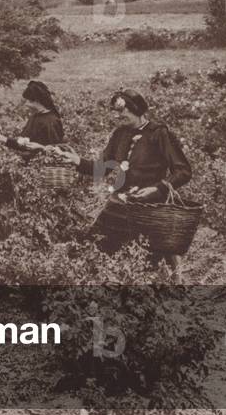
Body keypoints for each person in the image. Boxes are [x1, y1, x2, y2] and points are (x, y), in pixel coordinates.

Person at [56, 89, 192, 278]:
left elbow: (183, 171)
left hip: (151, 206)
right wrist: (75, 160)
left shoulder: (159, 133)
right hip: (121, 204)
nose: (118, 116)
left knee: (153, 262)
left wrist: (156, 188)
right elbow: (103, 168)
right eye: (116, 111)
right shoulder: (120, 134)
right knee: (94, 246)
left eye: (122, 111)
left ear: (136, 108)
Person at [5, 80, 65, 157]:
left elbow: (57, 151)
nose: (26, 104)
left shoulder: (52, 121)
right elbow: (23, 142)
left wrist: (40, 147)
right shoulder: (34, 117)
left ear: (36, 101)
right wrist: (2, 139)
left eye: (28, 101)